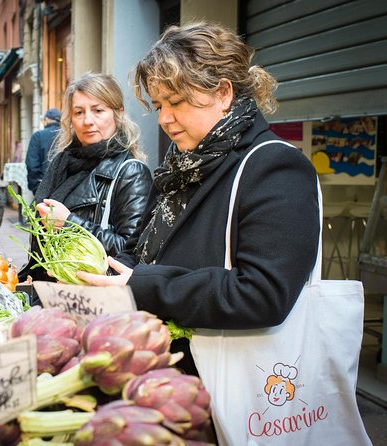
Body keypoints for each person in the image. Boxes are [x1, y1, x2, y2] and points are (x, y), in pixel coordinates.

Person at [77, 22, 320, 376]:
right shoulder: (183, 164)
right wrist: (100, 272)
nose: (164, 119)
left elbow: (263, 294)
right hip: (166, 372)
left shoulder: (274, 166)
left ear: (223, 93)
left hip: (228, 383)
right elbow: (146, 250)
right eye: (159, 105)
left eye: (176, 102)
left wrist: (143, 285)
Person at [20, 72, 153, 282]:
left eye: (98, 110)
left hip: (91, 300)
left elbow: (132, 251)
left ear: (118, 113)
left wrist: (70, 223)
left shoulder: (131, 172)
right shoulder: (62, 165)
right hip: (52, 291)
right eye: (79, 112)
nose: (87, 120)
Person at [25, 107, 61, 193]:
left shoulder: (38, 136)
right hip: (63, 187)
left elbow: (32, 165)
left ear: (47, 119)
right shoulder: (67, 135)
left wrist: (35, 186)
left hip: (42, 185)